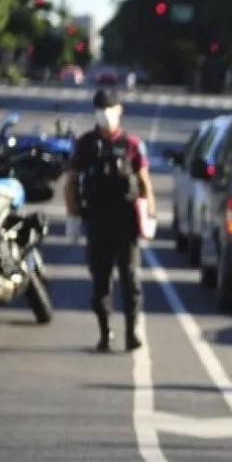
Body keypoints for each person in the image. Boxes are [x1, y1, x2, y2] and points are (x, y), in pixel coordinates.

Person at [64, 89, 155, 352]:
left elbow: (145, 182)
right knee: (100, 281)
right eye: (100, 109)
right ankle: (105, 332)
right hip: (97, 221)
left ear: (119, 110)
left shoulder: (132, 145)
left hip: (126, 222)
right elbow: (71, 182)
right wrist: (72, 217)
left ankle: (132, 331)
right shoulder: (85, 144)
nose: (104, 114)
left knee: (130, 280)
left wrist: (150, 215)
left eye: (109, 108)